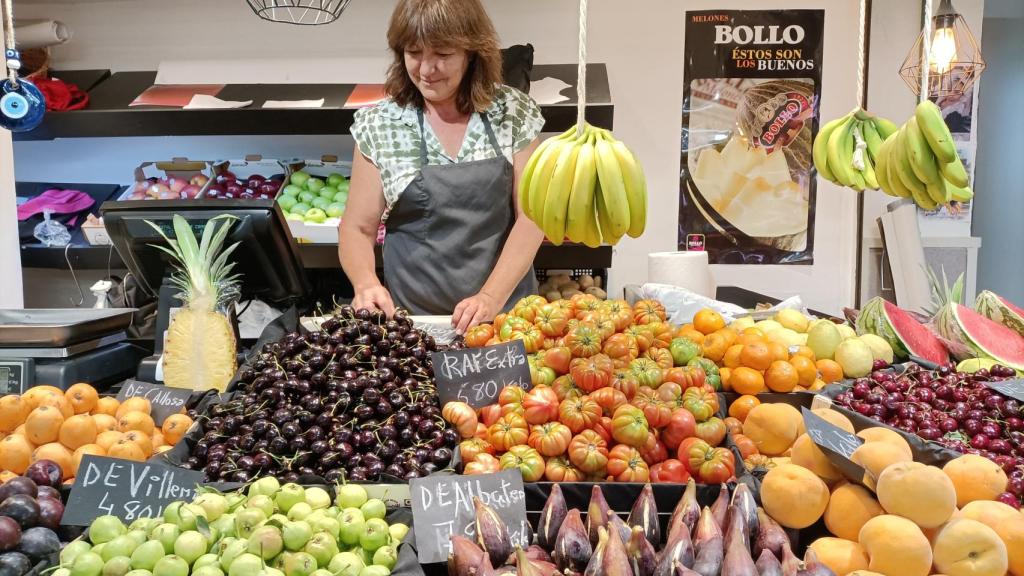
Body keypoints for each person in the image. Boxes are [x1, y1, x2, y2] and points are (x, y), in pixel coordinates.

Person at [339, 0, 546, 334]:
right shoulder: (379, 124)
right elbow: (357, 228)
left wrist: (490, 298)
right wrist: (365, 284)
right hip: (415, 324)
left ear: (472, 53)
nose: (426, 69)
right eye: (414, 52)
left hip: (504, 319)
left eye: (443, 54)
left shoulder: (512, 111)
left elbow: (532, 217)